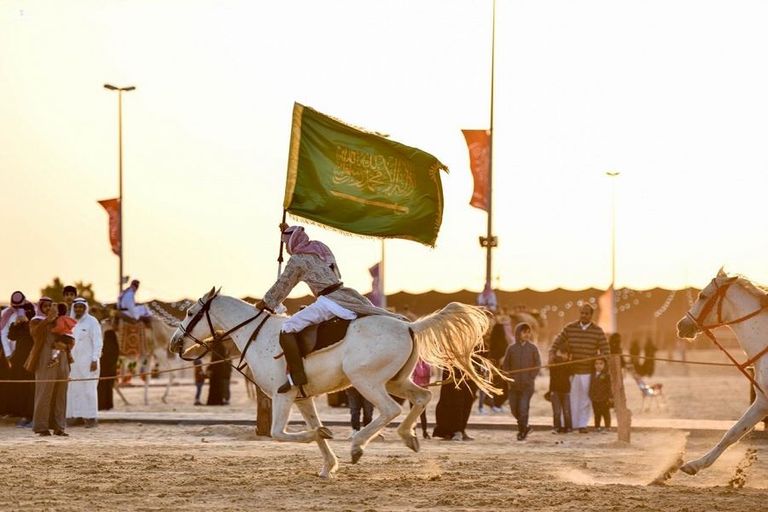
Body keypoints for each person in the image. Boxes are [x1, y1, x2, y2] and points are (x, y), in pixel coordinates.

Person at [255, 224, 403, 394]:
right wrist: (288, 231)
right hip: (345, 293)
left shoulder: (298, 259)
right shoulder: (320, 248)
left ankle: (296, 376)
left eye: (286, 242)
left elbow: (283, 285)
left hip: (328, 301)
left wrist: (266, 302)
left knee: (287, 328)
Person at [549, 304, 608, 433]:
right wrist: (552, 352)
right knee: (571, 399)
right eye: (582, 313)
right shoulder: (570, 328)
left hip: (588, 371)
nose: (583, 315)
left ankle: (582, 425)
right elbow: (557, 341)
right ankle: (569, 424)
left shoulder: (598, 331)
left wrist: (599, 361)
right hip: (572, 371)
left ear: (591, 315)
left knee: (585, 400)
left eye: (586, 313)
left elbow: (605, 350)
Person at [25, 298, 72, 436]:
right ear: (40, 307)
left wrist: (66, 345)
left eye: (50, 306)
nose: (47, 308)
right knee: (44, 393)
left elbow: (71, 338)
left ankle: (59, 427)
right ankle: (41, 427)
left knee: (61, 394)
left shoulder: (62, 320)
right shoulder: (36, 321)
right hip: (45, 360)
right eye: (45, 306)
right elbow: (35, 334)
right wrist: (48, 319)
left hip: (62, 360)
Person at [66, 298, 103, 427]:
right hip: (73, 363)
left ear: (85, 308)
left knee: (89, 390)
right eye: (76, 307)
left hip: (88, 363)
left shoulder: (92, 322)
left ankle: (91, 418)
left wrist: (95, 359)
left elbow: (98, 342)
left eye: (81, 307)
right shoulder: (70, 322)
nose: (78, 309)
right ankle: (76, 416)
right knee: (74, 389)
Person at [502, 322, 541, 441]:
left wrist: (531, 377)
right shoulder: (511, 349)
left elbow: (538, 364)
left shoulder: (533, 348)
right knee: (514, 409)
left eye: (529, 332)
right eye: (524, 332)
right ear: (518, 333)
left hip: (527, 386)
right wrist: (509, 378)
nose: (527, 334)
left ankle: (522, 432)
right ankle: (526, 427)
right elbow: (505, 365)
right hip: (513, 385)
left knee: (523, 408)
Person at [8, 301, 37, 427]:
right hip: (20, 361)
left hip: (32, 360)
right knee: (22, 389)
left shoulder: (35, 323)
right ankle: (25, 416)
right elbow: (11, 336)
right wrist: (15, 323)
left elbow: (34, 336)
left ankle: (32, 416)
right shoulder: (20, 324)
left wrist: (26, 323)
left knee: (32, 389)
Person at [432, 367, 476, 441]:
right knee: (454, 400)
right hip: (453, 370)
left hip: (469, 369)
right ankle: (454, 431)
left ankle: (461, 430)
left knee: (467, 400)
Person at [98, 312, 120, 411]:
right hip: (107, 363)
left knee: (104, 384)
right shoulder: (107, 331)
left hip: (106, 363)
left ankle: (104, 405)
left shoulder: (108, 332)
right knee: (105, 384)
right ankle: (106, 405)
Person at [548, 345, 572, 433]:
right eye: (562, 354)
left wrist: (569, 360)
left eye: (566, 354)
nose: (564, 356)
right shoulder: (554, 363)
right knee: (557, 411)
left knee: (566, 411)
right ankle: (556, 427)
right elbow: (550, 366)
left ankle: (568, 427)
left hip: (566, 391)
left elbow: (571, 371)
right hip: (555, 390)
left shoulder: (569, 364)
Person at [49, 303, 76, 368]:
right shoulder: (67, 318)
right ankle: (69, 357)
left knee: (54, 346)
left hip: (64, 336)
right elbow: (74, 324)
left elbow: (60, 327)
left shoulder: (60, 319)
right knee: (62, 348)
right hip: (71, 337)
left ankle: (54, 359)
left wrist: (52, 330)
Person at [589, 357, 612, 432]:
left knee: (605, 412)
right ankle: (597, 426)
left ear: (605, 365)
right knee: (596, 413)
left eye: (601, 364)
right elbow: (591, 385)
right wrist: (591, 394)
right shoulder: (592, 374)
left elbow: (609, 386)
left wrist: (610, 397)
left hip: (604, 397)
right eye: (596, 364)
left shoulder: (606, 375)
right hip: (595, 398)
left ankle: (607, 426)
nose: (598, 366)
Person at [411, 358, 431, 439]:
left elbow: (421, 373)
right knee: (413, 413)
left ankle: (424, 431)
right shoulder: (415, 363)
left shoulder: (426, 364)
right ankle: (413, 431)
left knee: (422, 413)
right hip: (414, 391)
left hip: (422, 391)